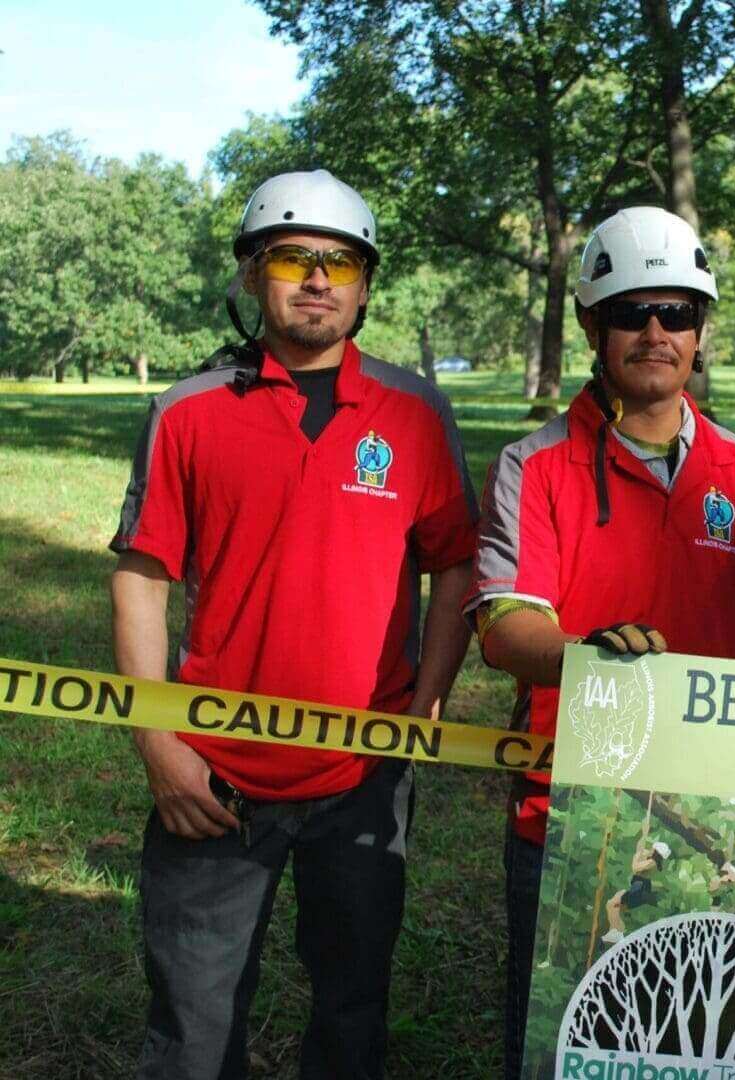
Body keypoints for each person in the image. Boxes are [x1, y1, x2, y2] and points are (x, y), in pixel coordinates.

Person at [109, 169, 479, 1079]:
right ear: (251, 274)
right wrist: (158, 741)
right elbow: (143, 577)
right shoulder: (187, 411)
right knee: (192, 1023)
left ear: (365, 285)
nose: (317, 279)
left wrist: (427, 699)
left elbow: (455, 563)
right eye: (291, 257)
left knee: (352, 1009)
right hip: (212, 771)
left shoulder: (416, 413)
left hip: (362, 770)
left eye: (340, 263)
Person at [464, 205, 735, 1080]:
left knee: (708, 1048)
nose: (654, 332)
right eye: (629, 312)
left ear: (699, 330)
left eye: (675, 312)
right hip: (572, 817)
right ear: (590, 328)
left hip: (718, 814)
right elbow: (504, 626)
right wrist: (586, 657)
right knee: (563, 1048)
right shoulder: (532, 464)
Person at [602, 838, 673, 944]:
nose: (650, 849)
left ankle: (617, 932)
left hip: (640, 889)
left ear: (655, 852)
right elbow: (639, 848)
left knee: (612, 904)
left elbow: (635, 867)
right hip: (637, 886)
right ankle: (616, 931)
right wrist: (643, 835)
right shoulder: (649, 859)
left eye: (652, 848)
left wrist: (637, 856)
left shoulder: (651, 862)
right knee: (613, 903)